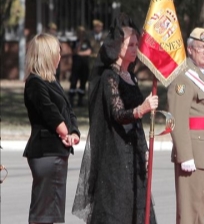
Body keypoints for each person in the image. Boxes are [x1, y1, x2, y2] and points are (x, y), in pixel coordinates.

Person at [72, 13, 158, 224]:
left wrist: (144, 151)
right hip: (115, 152)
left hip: (134, 151)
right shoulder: (109, 77)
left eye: (137, 44)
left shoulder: (132, 76)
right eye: (130, 45)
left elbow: (136, 125)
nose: (135, 49)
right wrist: (142, 108)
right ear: (117, 47)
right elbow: (118, 114)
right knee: (117, 207)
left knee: (137, 205)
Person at [23, 33, 81, 224]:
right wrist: (64, 131)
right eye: (57, 52)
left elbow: (68, 110)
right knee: (43, 214)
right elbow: (50, 112)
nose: (60, 57)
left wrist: (73, 133)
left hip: (57, 152)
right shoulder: (35, 83)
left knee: (50, 213)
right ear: (47, 55)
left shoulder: (52, 81)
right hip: (46, 153)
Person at [167, 27, 204, 224]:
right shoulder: (184, 77)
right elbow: (177, 118)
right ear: (190, 50)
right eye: (201, 47)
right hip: (194, 157)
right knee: (189, 214)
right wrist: (185, 155)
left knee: (199, 214)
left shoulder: (203, 76)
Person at [68, 26, 92, 107]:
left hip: (84, 66)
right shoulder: (75, 42)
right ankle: (71, 99)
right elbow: (74, 51)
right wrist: (79, 45)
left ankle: (80, 100)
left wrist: (79, 53)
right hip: (76, 66)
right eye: (79, 33)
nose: (81, 35)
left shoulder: (87, 42)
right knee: (73, 82)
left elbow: (88, 52)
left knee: (83, 82)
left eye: (82, 33)